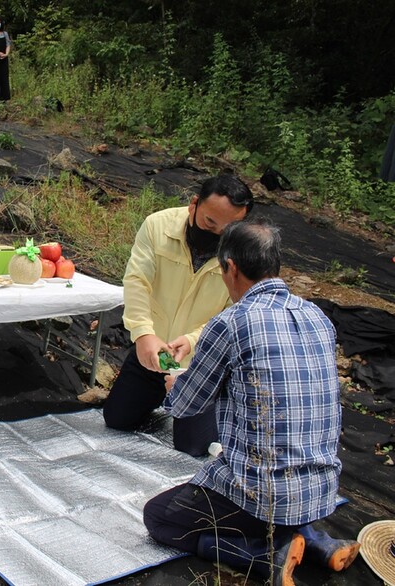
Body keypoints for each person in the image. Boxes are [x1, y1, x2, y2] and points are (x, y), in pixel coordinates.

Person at [143, 219, 360, 586]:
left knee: (160, 517)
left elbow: (184, 405)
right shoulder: (317, 317)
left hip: (263, 495)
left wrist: (177, 383)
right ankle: (316, 542)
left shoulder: (231, 322)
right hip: (321, 489)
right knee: (278, 472)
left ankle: (263, 556)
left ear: (230, 268)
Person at [103, 174, 253, 456]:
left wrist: (193, 341)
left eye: (228, 229)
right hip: (155, 351)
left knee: (193, 445)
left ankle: (220, 404)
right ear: (194, 204)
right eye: (210, 222)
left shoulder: (243, 252)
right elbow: (137, 282)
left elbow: (234, 313)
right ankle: (162, 395)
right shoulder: (158, 226)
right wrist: (143, 334)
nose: (217, 233)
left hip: (202, 364)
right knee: (118, 419)